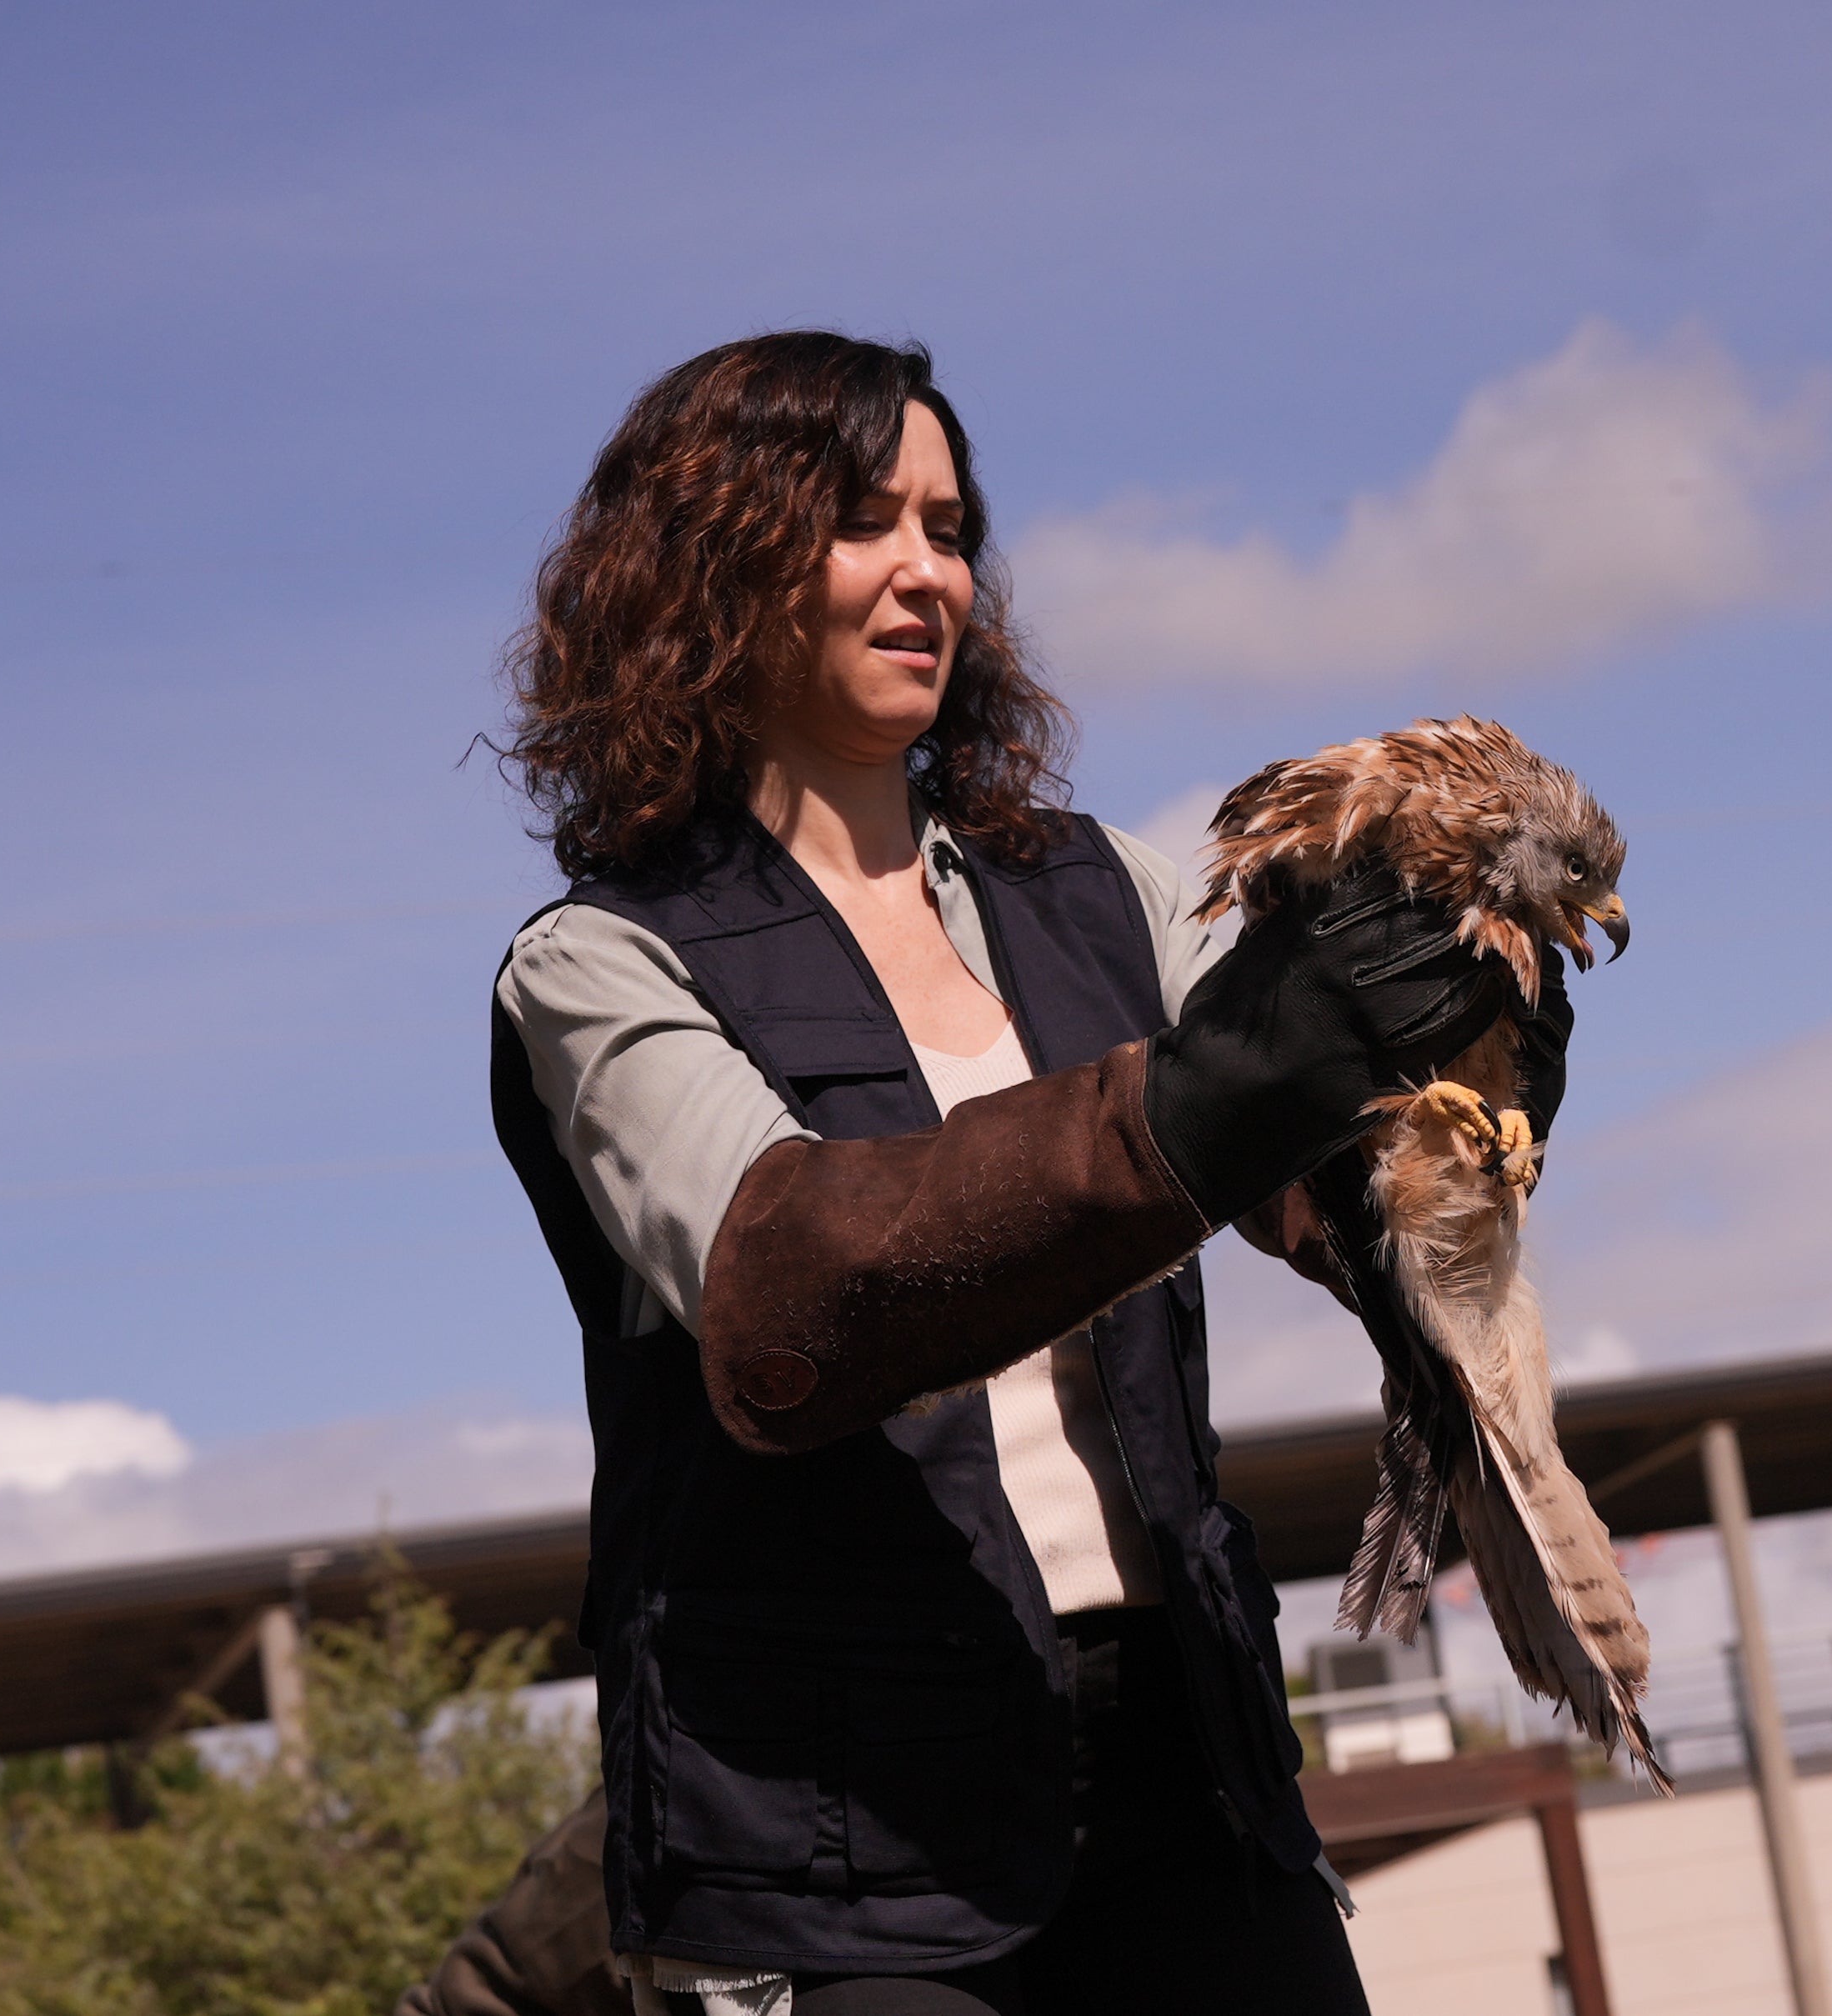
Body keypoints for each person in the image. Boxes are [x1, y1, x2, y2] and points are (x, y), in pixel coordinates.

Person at [488, 333, 1542, 2016]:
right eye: (861, 520)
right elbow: (798, 1285)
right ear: (707, 559)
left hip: (1187, 1761)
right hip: (842, 1835)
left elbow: (1328, 1192)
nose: (928, 571)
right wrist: (1195, 1108)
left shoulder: (1105, 888)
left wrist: (1452, 1075)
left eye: (950, 526)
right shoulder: (604, 963)